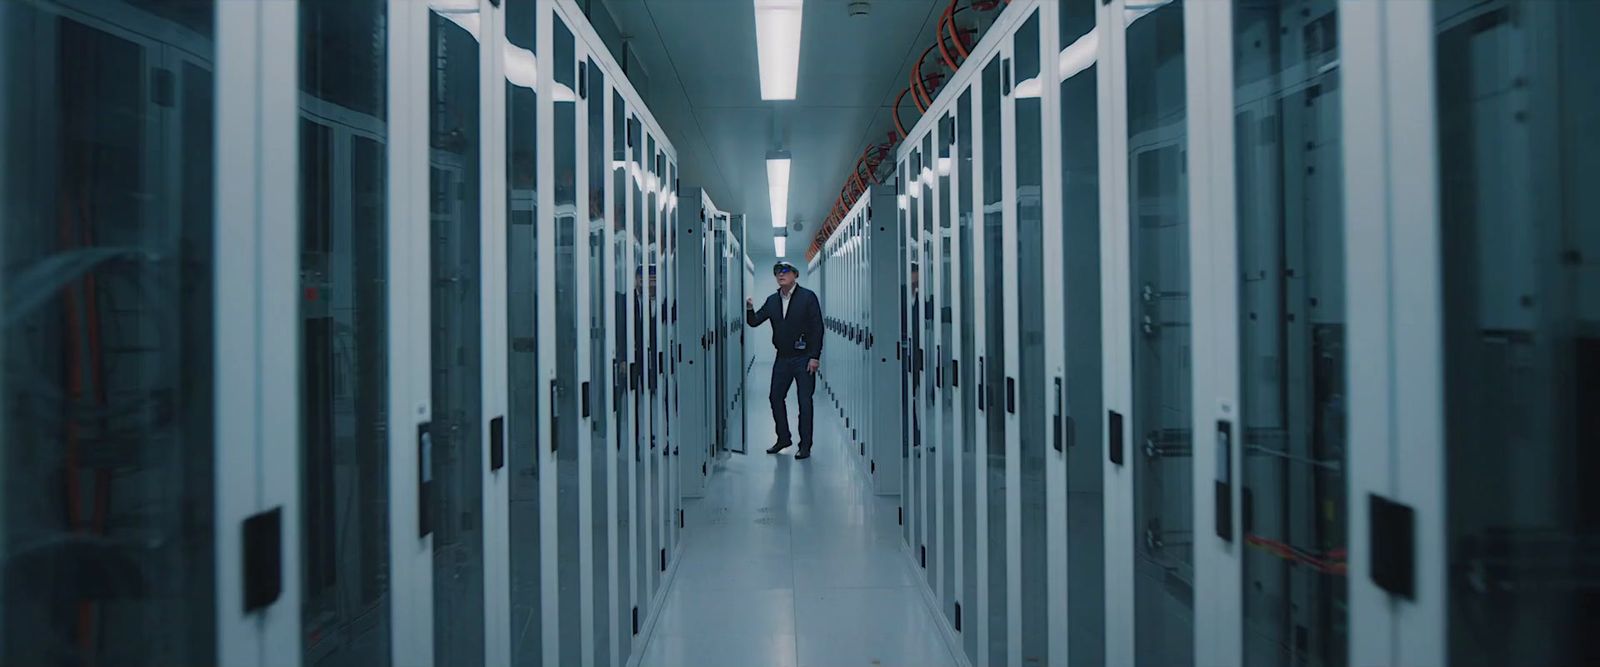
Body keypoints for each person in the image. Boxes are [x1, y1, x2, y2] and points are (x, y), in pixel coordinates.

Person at [746, 261, 824, 459]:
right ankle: (783, 438)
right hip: (782, 358)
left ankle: (805, 445)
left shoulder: (807, 297)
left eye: (785, 271)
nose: (780, 275)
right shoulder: (773, 300)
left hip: (804, 357)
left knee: (804, 402)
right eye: (777, 272)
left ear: (795, 275)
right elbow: (754, 321)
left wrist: (815, 356)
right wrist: (749, 308)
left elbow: (817, 328)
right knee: (775, 397)